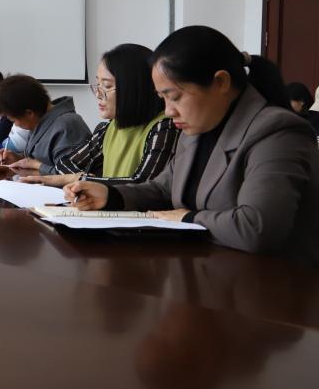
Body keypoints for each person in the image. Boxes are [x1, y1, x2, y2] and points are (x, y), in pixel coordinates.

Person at [65, 26, 319, 264]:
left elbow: (257, 228)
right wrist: (111, 195)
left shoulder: (277, 132)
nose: (168, 111)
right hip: (209, 269)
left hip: (276, 283)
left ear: (221, 82)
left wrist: (189, 217)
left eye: (174, 97)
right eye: (162, 98)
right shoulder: (198, 125)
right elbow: (163, 189)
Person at [22, 44, 180, 187]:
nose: (98, 94)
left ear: (134, 88)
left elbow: (142, 185)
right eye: (98, 84)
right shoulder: (110, 127)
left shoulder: (163, 126)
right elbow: (65, 163)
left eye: (107, 86)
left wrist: (82, 179)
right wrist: (86, 179)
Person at [0, 75, 91, 174]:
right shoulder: (39, 121)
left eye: (14, 121)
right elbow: (42, 158)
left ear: (29, 114)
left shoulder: (67, 126)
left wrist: (36, 165)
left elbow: (71, 175)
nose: (16, 125)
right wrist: (18, 158)